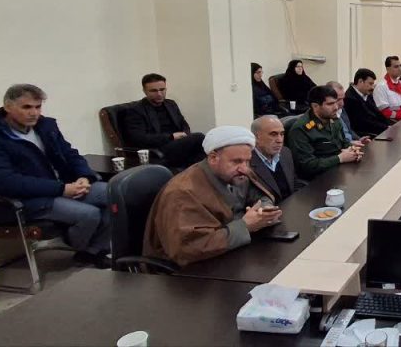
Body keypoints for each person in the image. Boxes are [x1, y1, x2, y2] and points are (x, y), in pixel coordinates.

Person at [0, 84, 110, 267]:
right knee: (89, 214)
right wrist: (61, 189)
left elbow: (70, 154)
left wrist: (84, 176)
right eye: (26, 107)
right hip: (26, 199)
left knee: (113, 194)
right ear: (8, 107)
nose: (34, 113)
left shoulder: (45, 126)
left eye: (38, 107)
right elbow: (4, 181)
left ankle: (93, 251)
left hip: (61, 187)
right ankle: (78, 245)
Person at [143, 126, 281, 267]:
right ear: (213, 158)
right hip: (189, 271)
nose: (244, 168)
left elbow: (259, 196)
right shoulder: (182, 193)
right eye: (236, 161)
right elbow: (188, 248)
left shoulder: (237, 173)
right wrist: (245, 226)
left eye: (247, 161)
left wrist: (264, 210)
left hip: (229, 254)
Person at [123, 73, 206, 169]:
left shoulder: (170, 104)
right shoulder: (135, 110)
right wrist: (170, 137)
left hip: (178, 144)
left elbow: (183, 123)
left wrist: (185, 134)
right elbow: (139, 138)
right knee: (199, 137)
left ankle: (198, 173)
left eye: (162, 89)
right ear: (145, 91)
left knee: (208, 143)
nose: (159, 94)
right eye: (153, 91)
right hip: (158, 148)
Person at [286, 85, 362, 180]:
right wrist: (339, 158)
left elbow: (343, 142)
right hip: (318, 179)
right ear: (315, 106)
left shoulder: (334, 120)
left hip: (339, 171)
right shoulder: (301, 129)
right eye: (330, 104)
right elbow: (307, 165)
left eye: (336, 102)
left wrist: (353, 151)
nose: (336, 107)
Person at [249, 115, 301, 202]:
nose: (280, 140)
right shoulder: (247, 164)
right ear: (256, 137)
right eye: (273, 134)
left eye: (282, 134)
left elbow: (294, 183)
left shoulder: (285, 153)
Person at [344, 68, 394, 137]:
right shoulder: (350, 98)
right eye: (370, 84)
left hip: (377, 129)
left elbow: (377, 113)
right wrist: (386, 128)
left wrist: (389, 125)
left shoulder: (367, 94)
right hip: (364, 134)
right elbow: (364, 122)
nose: (372, 87)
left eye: (373, 84)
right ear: (360, 81)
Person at [327, 81, 371, 148]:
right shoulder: (326, 115)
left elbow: (349, 130)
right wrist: (350, 143)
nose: (342, 103)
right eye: (338, 99)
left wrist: (359, 140)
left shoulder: (342, 110)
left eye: (343, 99)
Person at [373, 56, 401, 120]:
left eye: (400, 66)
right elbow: (384, 111)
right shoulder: (381, 87)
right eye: (396, 67)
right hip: (393, 121)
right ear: (388, 69)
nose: (399, 69)